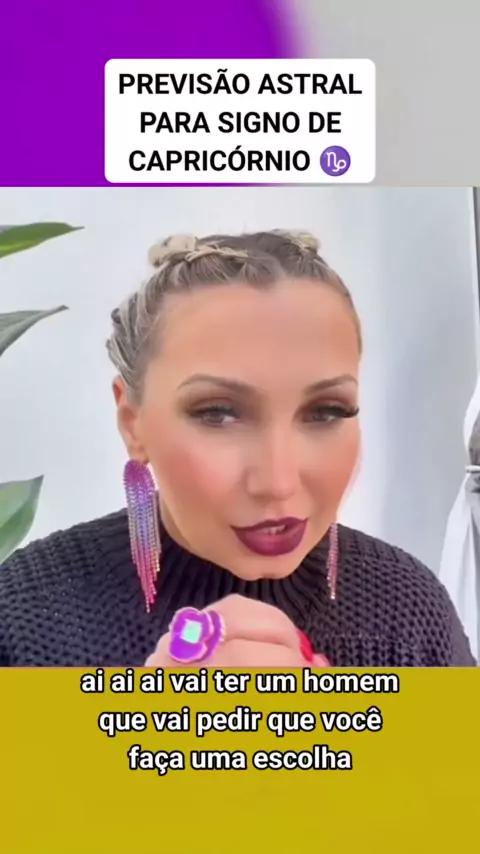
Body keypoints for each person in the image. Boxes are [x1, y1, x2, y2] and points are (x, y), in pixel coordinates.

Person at [0, 230, 475, 667]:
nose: (278, 483)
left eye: (326, 411)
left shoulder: (410, 610)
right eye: (218, 414)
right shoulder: (22, 618)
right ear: (133, 422)